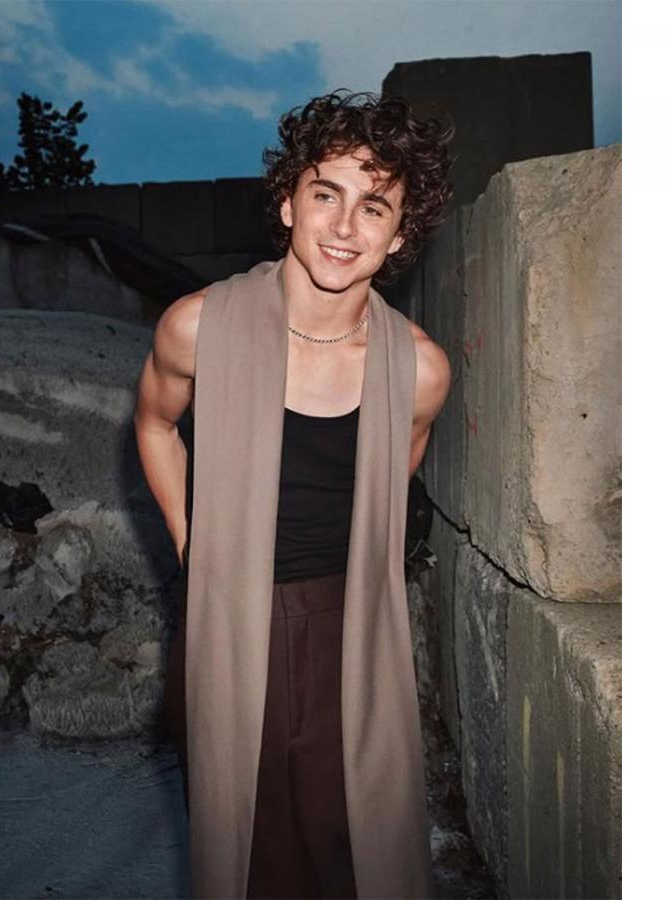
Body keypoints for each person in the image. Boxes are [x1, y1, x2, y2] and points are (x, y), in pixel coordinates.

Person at [133, 90, 455, 899]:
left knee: (359, 849)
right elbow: (154, 426)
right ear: (287, 202)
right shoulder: (196, 328)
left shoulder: (418, 370)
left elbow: (387, 492)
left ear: (399, 233)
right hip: (228, 617)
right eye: (325, 195)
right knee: (251, 854)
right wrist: (194, 544)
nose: (345, 227)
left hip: (350, 625)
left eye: (373, 207)